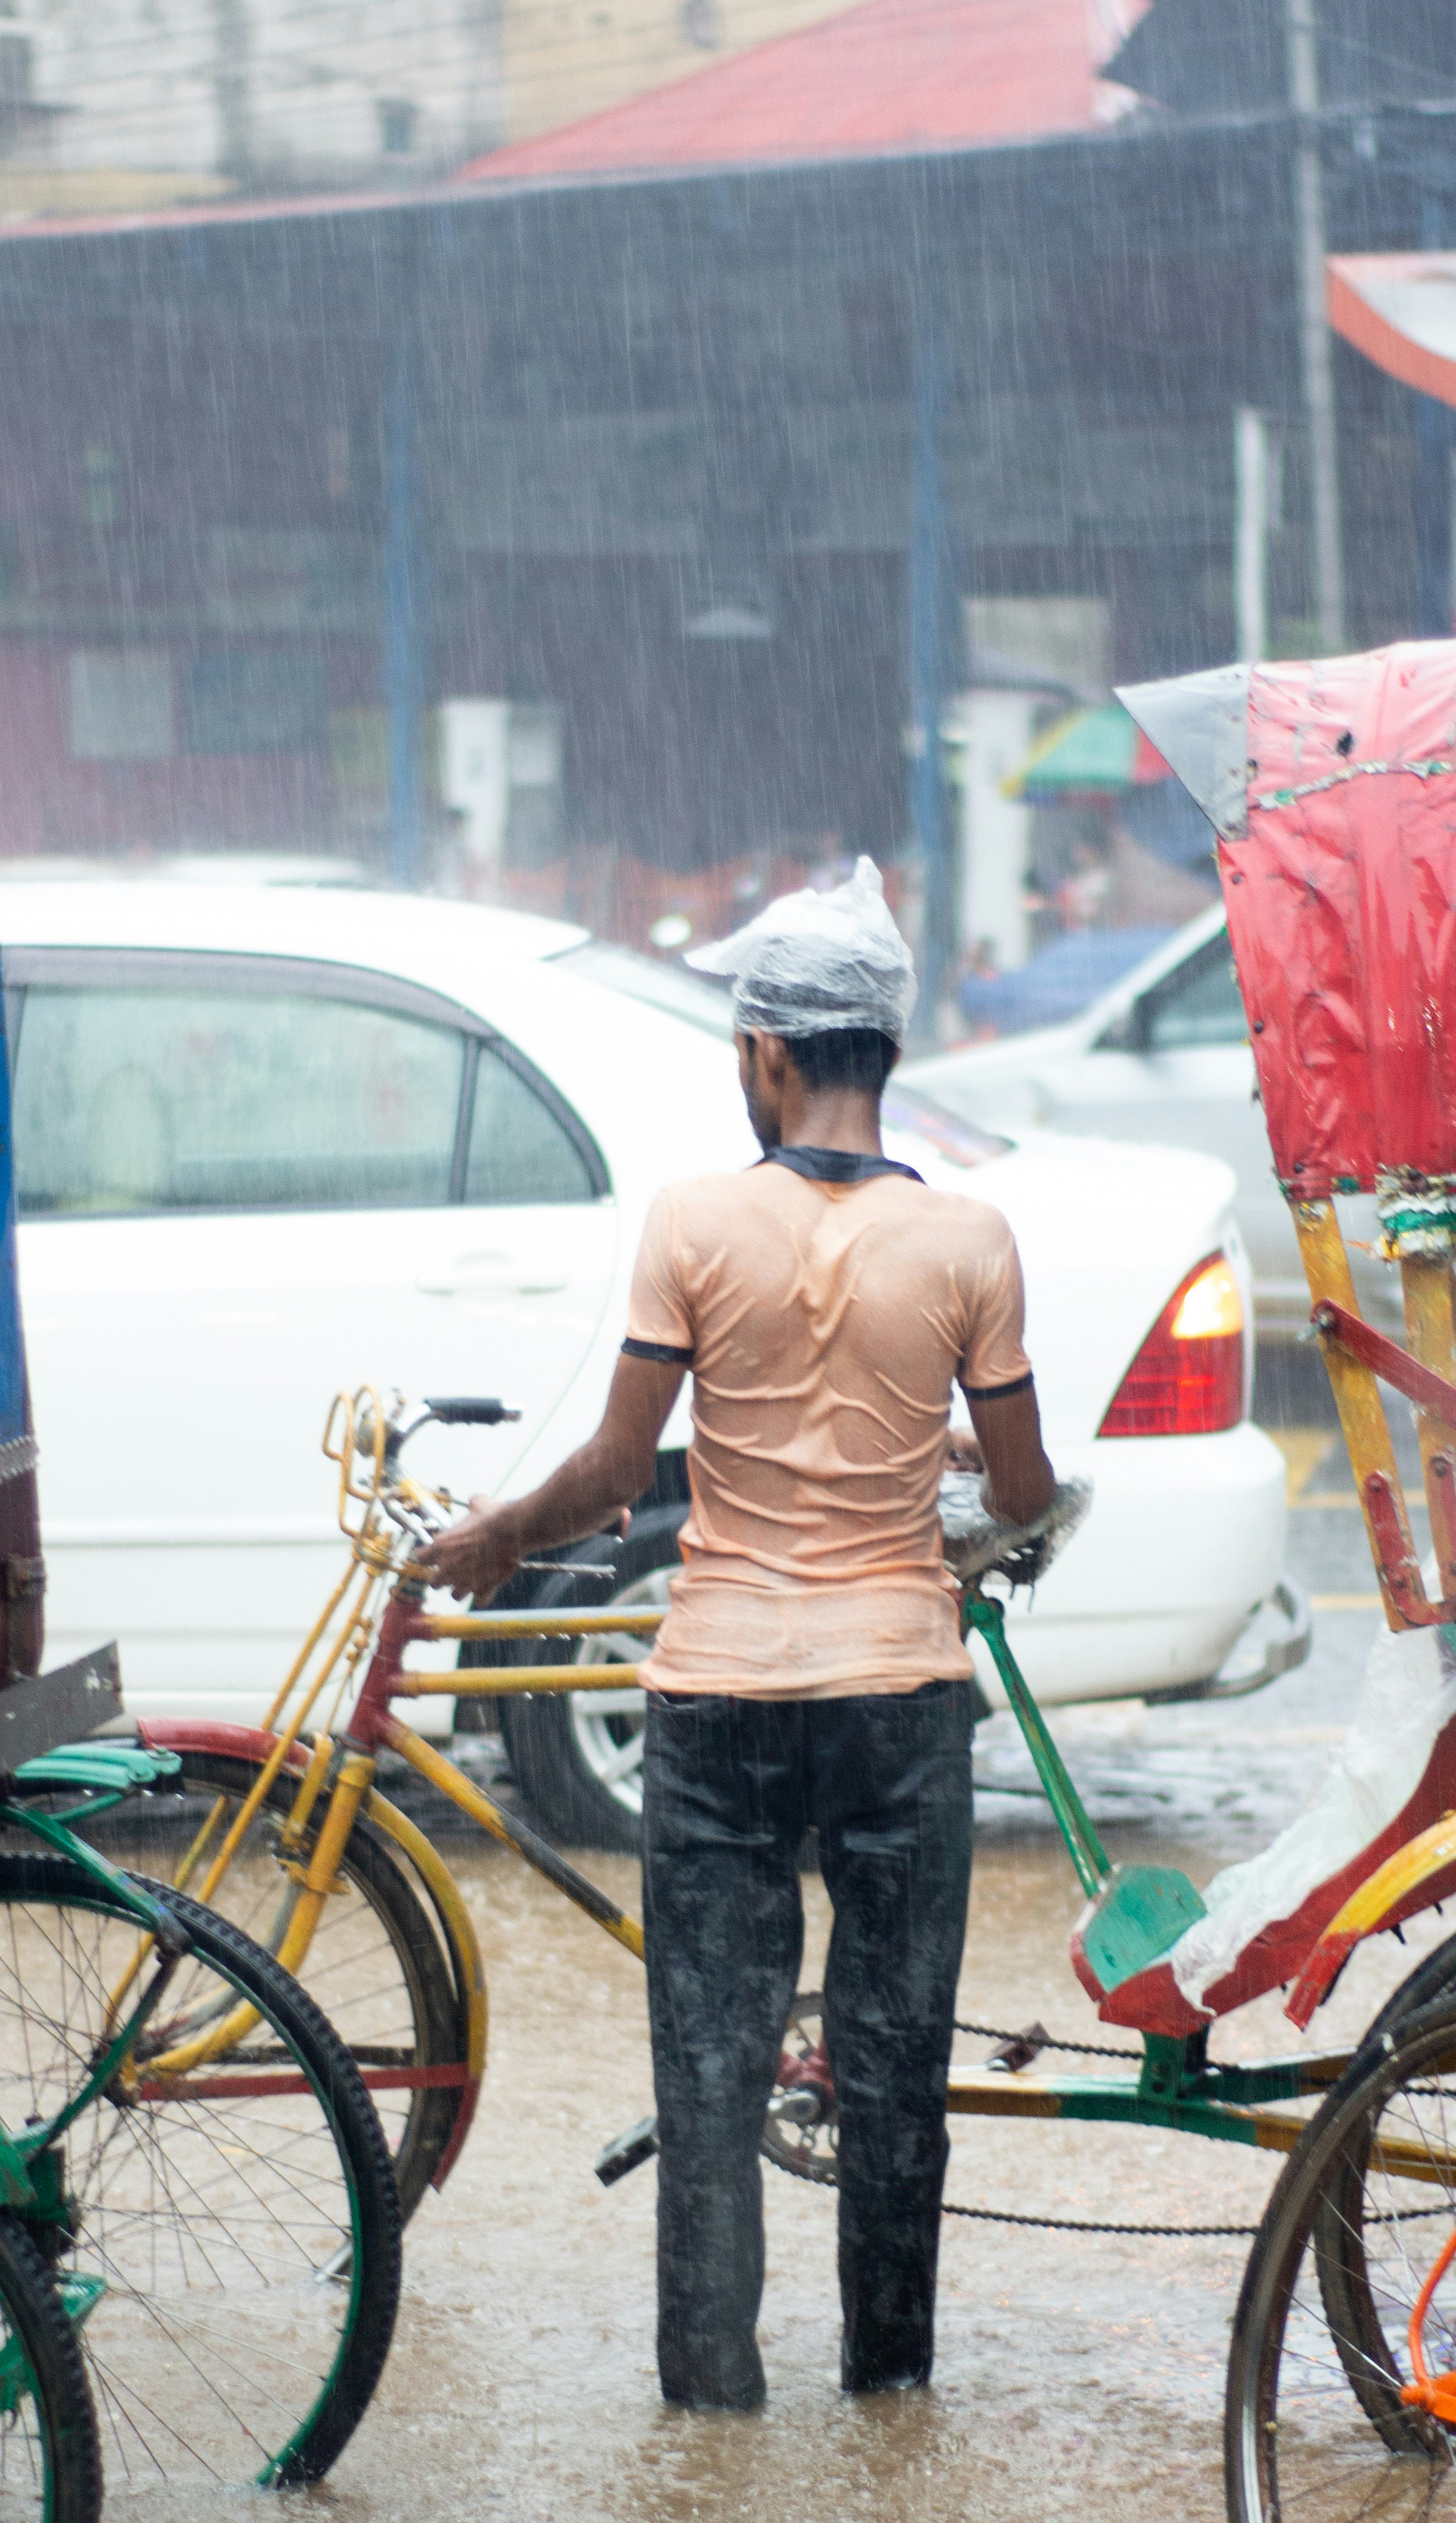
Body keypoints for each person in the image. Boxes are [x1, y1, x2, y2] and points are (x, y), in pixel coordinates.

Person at [414, 859, 1057, 2412]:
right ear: (881, 1055)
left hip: (722, 1706)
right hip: (900, 1702)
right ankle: (890, 2406)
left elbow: (619, 1473)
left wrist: (496, 1538)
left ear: (769, 1054)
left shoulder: (696, 1224)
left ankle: (712, 2420)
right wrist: (949, 1495)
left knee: (711, 2088)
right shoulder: (971, 1242)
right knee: (897, 2082)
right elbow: (1026, 1492)